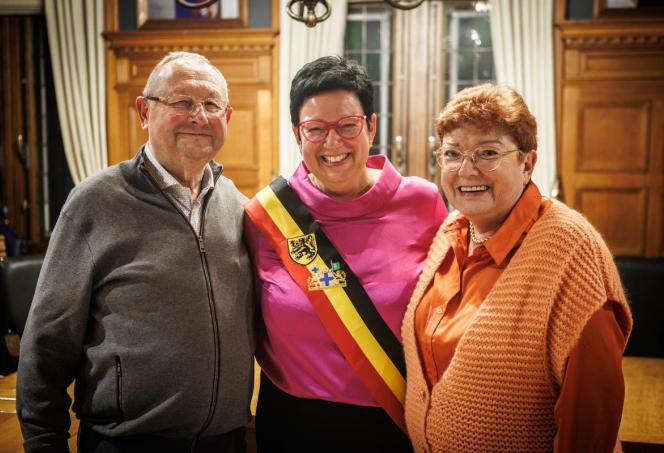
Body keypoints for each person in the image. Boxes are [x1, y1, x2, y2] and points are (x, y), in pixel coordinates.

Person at [16, 52, 255, 453]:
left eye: (211, 104)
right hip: (127, 443)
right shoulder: (94, 203)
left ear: (227, 118)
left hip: (226, 441)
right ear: (144, 111)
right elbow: (46, 343)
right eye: (181, 101)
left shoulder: (237, 204)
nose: (199, 115)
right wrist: (43, 442)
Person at [402, 83, 633, 452]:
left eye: (487, 152)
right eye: (452, 153)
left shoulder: (572, 250)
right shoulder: (450, 232)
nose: (467, 170)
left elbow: (591, 426)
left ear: (527, 163)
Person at [244, 56, 448, 452]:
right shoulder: (266, 215)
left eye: (348, 126)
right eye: (315, 129)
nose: (332, 143)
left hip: (393, 419)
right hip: (292, 422)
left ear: (371, 126)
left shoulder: (423, 201)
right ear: (296, 134)